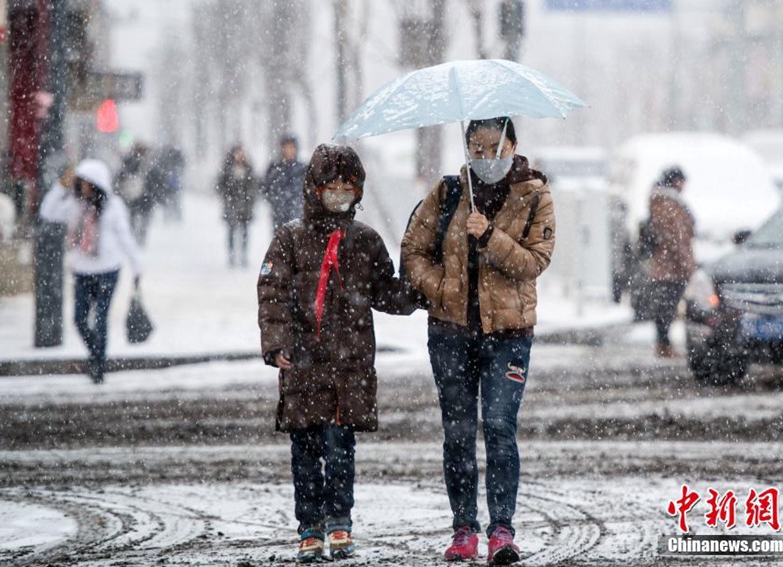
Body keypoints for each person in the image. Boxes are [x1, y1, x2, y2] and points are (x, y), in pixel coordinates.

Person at [401, 117, 555, 565]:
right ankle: (464, 528)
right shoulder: (448, 193)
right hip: (450, 334)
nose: (486, 156)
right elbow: (413, 250)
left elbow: (534, 261)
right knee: (459, 432)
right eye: (477, 147)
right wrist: (442, 289)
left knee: (501, 428)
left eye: (495, 146)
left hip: (508, 337)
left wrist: (488, 235)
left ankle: (502, 530)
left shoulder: (535, 195)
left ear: (513, 146)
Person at [257, 144, 417, 563]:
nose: (341, 195)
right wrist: (276, 343)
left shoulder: (365, 242)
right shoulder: (290, 239)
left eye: (349, 188)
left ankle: (339, 520)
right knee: (306, 449)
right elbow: (272, 294)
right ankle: (309, 525)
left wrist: (418, 287)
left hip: (350, 366)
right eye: (333, 187)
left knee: (340, 446)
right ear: (315, 188)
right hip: (303, 363)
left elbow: (386, 291)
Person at [67, 159, 143, 383]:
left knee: (101, 319)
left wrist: (137, 264)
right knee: (79, 320)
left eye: (88, 183)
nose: (83, 187)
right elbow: (48, 211)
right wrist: (61, 186)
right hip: (82, 271)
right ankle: (96, 353)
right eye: (81, 183)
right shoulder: (75, 205)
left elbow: (125, 237)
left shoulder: (113, 207)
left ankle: (98, 366)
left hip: (107, 270)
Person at [647, 166, 696, 358]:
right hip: (670, 267)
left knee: (665, 307)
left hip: (665, 265)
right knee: (666, 307)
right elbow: (677, 239)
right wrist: (689, 267)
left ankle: (663, 344)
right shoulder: (668, 204)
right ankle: (663, 345)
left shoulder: (663, 201)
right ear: (676, 181)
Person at [35, 162, 76, 347]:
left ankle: (51, 336)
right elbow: (47, 211)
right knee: (48, 294)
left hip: (59, 251)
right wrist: (61, 186)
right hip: (50, 252)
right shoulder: (63, 196)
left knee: (53, 294)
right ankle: (47, 336)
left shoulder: (76, 200)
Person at [216, 145, 258, 267]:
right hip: (231, 206)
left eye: (241, 153)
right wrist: (228, 197)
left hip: (245, 207)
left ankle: (244, 255)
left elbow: (254, 187)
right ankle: (231, 255)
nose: (239, 156)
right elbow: (220, 186)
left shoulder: (249, 169)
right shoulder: (227, 170)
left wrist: (249, 199)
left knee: (245, 232)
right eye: (237, 153)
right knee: (231, 231)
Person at [262, 134, 307, 232]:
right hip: (279, 214)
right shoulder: (274, 167)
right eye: (287, 147)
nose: (289, 150)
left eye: (292, 147)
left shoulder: (303, 168)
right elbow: (265, 187)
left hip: (297, 214)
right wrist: (275, 200)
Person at [114, 143, 155, 247]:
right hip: (146, 195)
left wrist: (119, 189)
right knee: (145, 218)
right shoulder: (149, 162)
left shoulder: (129, 160)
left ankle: (132, 237)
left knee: (132, 216)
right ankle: (141, 238)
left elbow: (120, 175)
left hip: (132, 195)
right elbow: (156, 179)